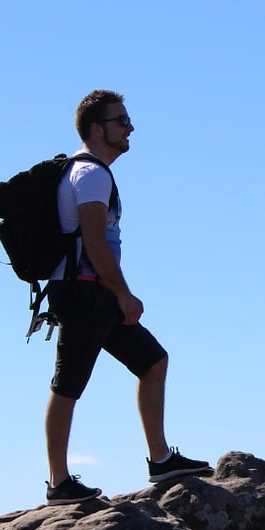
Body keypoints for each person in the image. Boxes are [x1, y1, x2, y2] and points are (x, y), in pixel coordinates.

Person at [43, 89, 208, 504]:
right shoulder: (92, 175)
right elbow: (96, 242)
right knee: (68, 385)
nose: (130, 127)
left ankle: (160, 459)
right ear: (97, 129)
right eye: (121, 121)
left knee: (153, 360)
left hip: (92, 292)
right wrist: (124, 294)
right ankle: (59, 483)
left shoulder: (91, 173)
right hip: (85, 293)